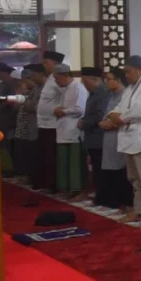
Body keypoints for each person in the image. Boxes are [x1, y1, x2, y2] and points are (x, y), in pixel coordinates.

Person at [108, 55, 141, 224]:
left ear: (139, 69)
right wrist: (115, 115)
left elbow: (140, 110)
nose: (126, 76)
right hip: (129, 137)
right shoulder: (131, 87)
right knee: (134, 179)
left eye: (128, 72)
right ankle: (139, 210)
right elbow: (118, 107)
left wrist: (120, 117)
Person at [93, 68, 132, 212]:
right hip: (108, 138)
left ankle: (124, 202)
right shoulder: (111, 96)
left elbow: (125, 117)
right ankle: (111, 201)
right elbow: (106, 116)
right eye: (105, 79)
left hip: (120, 137)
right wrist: (103, 123)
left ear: (119, 80)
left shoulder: (125, 95)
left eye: (109, 79)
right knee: (109, 169)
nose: (106, 82)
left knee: (121, 170)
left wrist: (112, 123)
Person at [52, 64, 89, 199]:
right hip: (62, 131)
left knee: (75, 164)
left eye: (57, 78)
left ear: (64, 75)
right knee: (63, 164)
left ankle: (78, 190)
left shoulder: (78, 88)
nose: (56, 81)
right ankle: (66, 189)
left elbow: (80, 109)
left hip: (74, 132)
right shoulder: (64, 89)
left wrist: (63, 111)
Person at [34, 51, 66, 192]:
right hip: (44, 124)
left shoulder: (61, 80)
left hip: (54, 125)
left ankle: (54, 185)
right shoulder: (50, 79)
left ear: (55, 63)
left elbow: (66, 98)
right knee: (45, 156)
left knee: (52, 157)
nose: (44, 65)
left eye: (46, 62)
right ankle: (47, 183)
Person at [78, 67, 109, 202]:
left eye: (86, 82)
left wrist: (84, 123)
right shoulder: (94, 92)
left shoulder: (102, 93)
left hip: (99, 137)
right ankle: (99, 195)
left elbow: (100, 115)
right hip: (92, 137)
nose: (84, 85)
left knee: (100, 169)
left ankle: (102, 197)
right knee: (96, 168)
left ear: (95, 79)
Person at [12, 64, 43, 185]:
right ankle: (22, 175)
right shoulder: (25, 90)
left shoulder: (37, 90)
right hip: (21, 127)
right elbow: (15, 107)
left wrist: (23, 97)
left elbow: (33, 108)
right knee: (20, 152)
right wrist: (18, 95)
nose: (23, 83)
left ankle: (29, 176)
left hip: (31, 127)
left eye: (25, 81)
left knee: (30, 154)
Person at [0, 63, 18, 175]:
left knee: (7, 145)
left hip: (8, 119)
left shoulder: (10, 83)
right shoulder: (3, 84)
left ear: (0, 71)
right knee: (2, 144)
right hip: (1, 118)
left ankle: (10, 169)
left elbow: (12, 101)